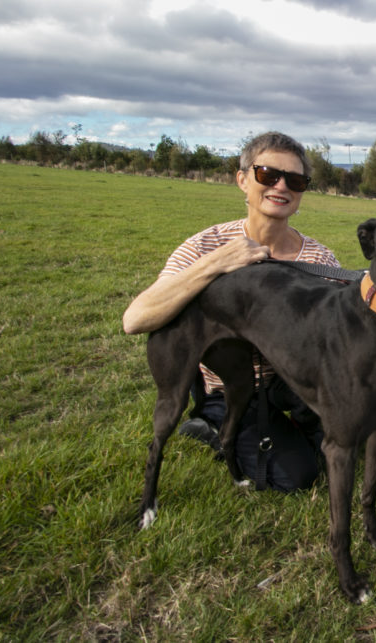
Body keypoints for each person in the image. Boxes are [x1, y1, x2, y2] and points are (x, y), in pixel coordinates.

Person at [123, 131, 340, 491]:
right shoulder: (207, 244)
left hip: (293, 382)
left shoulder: (320, 259)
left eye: (296, 180)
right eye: (269, 175)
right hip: (234, 385)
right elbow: (136, 318)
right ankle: (212, 419)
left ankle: (296, 422)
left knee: (343, 445)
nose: (282, 186)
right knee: (297, 476)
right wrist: (216, 263)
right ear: (242, 180)